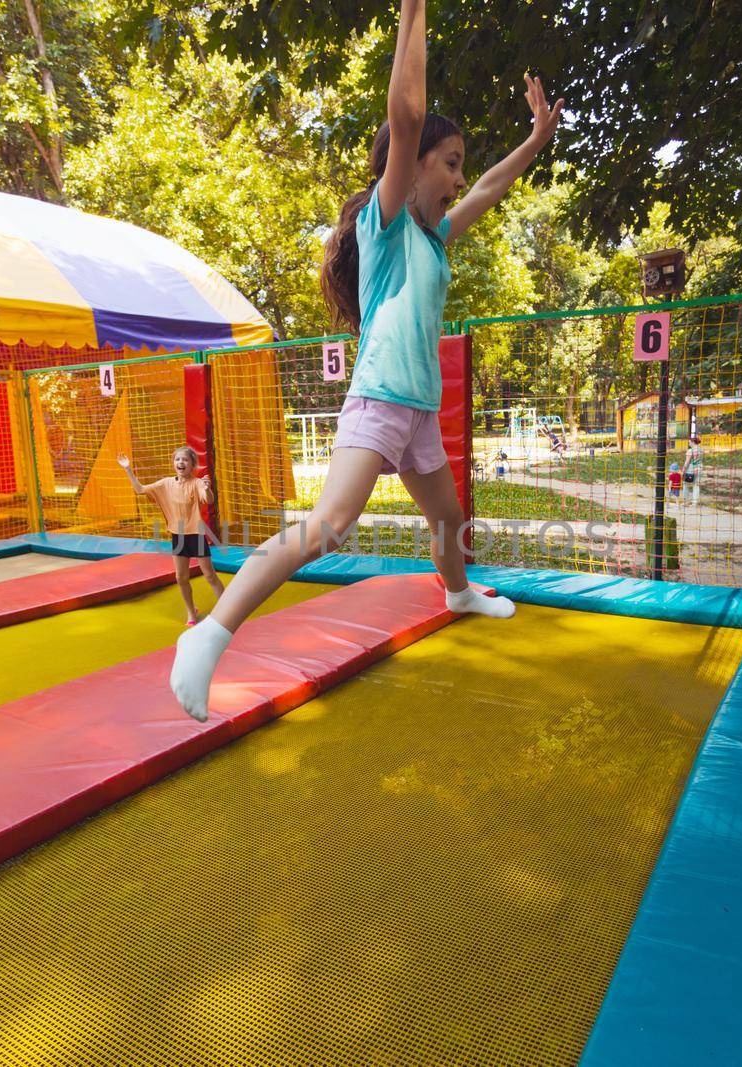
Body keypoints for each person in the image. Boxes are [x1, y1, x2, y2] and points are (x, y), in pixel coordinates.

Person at [168, 0, 562, 721]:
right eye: (447, 165)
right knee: (329, 525)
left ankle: (457, 591)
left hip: (416, 410)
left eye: (456, 168)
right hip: (381, 397)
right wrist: (414, 11)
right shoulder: (386, 229)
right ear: (409, 172)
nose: (454, 179)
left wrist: (537, 139)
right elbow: (405, 115)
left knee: (446, 518)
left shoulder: (437, 240)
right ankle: (209, 634)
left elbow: (490, 190)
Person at [118, 447, 225, 626]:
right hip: (178, 535)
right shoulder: (166, 483)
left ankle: (226, 608)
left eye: (185, 460)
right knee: (180, 578)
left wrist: (207, 488)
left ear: (192, 465)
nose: (181, 463)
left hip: (196, 535)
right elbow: (140, 490)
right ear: (173, 463)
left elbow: (209, 500)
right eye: (177, 460)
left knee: (209, 575)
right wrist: (127, 468)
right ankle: (191, 612)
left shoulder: (197, 483)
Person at [684, 436, 704, 505]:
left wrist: (683, 469)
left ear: (693, 442)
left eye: (689, 442)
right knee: (696, 485)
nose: (689, 444)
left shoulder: (690, 450)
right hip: (700, 468)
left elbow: (687, 462)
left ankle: (686, 501)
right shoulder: (701, 450)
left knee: (685, 484)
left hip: (691, 469)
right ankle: (695, 502)